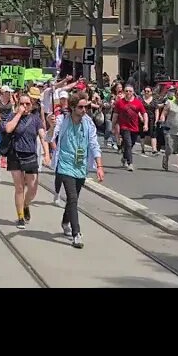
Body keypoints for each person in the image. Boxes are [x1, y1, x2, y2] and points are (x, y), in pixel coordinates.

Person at [52, 92, 104, 248]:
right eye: (80, 107)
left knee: (73, 199)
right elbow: (50, 137)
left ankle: (65, 221)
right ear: (73, 107)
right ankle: (77, 234)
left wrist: (99, 166)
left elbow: (94, 144)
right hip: (65, 164)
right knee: (73, 197)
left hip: (80, 165)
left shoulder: (88, 123)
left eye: (86, 107)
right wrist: (51, 126)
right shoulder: (62, 121)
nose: (84, 110)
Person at [3, 87, 51, 229]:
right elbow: (8, 129)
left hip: (30, 154)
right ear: (18, 104)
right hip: (15, 154)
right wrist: (18, 114)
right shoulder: (13, 116)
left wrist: (47, 154)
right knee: (19, 187)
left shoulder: (35, 119)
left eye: (28, 104)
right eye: (22, 103)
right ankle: (20, 217)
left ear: (32, 105)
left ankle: (26, 204)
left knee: (33, 187)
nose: (25, 106)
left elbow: (43, 137)